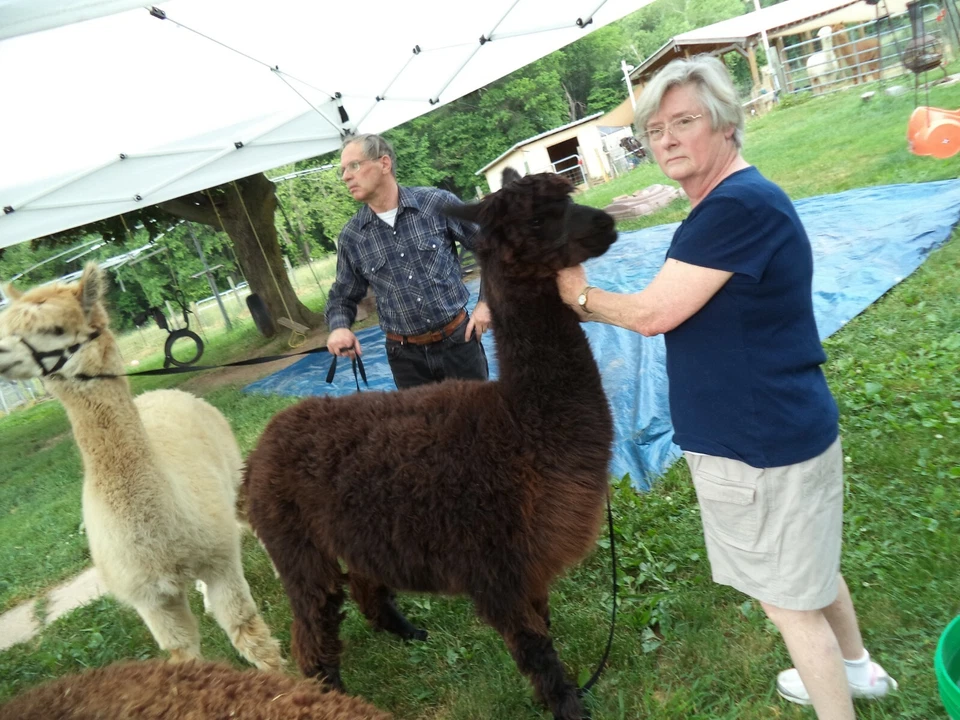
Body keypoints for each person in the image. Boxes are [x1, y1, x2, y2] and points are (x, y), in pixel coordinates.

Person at [556, 56, 896, 719]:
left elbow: (654, 314)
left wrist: (580, 294)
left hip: (758, 443)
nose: (668, 140)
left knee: (789, 604)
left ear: (726, 124)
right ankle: (860, 670)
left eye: (685, 122)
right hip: (786, 424)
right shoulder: (741, 201)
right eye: (656, 130)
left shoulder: (734, 207)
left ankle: (839, 699)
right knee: (812, 569)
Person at [325, 134, 490, 389]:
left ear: (384, 164)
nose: (346, 176)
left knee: (480, 423)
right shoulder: (353, 236)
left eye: (354, 166)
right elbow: (342, 296)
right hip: (406, 360)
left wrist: (486, 304)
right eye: (343, 170)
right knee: (423, 429)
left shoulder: (437, 203)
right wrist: (339, 328)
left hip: (459, 343)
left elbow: (493, 249)